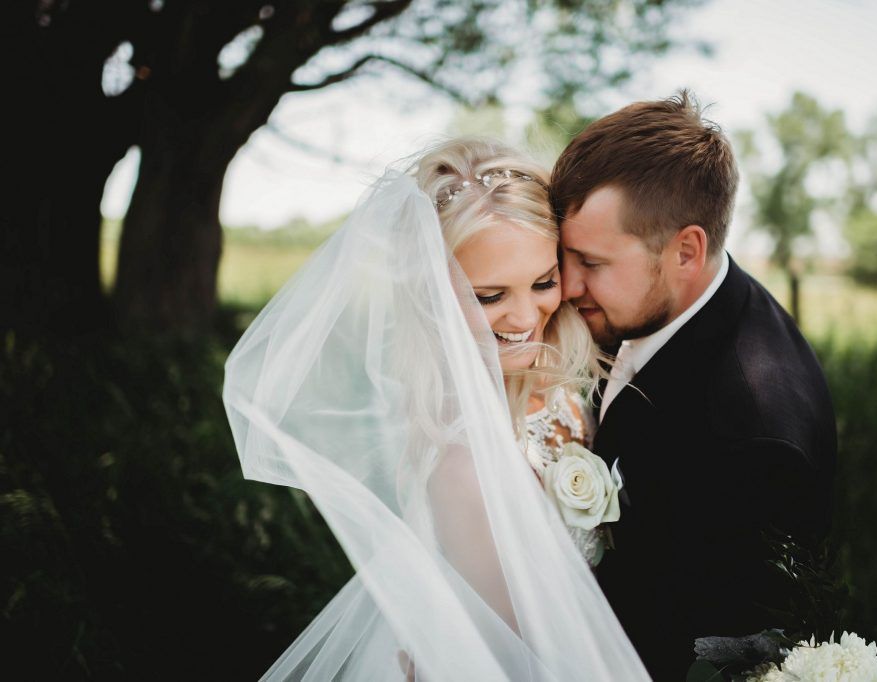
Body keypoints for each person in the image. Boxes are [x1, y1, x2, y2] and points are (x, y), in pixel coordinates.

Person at [222, 138, 649, 680]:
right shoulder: (462, 464)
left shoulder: (566, 382)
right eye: (489, 295)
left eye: (543, 281)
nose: (527, 315)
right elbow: (517, 657)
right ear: (431, 292)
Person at [549, 91, 838, 677]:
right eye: (564, 255)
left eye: (592, 263)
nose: (566, 287)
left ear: (686, 250)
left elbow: (684, 647)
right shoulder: (666, 299)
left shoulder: (750, 438)